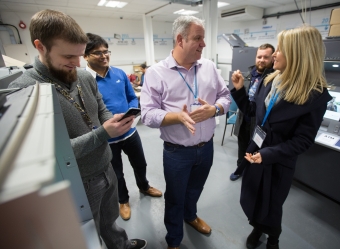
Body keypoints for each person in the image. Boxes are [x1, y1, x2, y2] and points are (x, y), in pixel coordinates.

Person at [8, 9, 147, 249]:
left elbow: (100, 108)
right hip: (75, 182)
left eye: (80, 55)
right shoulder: (24, 91)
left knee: (109, 221)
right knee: (87, 235)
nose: (77, 63)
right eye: (69, 56)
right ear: (40, 46)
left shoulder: (84, 77)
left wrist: (113, 121)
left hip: (106, 165)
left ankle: (120, 245)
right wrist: (103, 133)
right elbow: (49, 155)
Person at [230, 25, 332, 249]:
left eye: (281, 49)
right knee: (255, 198)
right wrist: (238, 90)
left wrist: (267, 155)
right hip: (255, 152)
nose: (274, 54)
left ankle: (273, 239)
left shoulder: (314, 96)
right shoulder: (270, 81)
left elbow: (302, 140)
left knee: (273, 206)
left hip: (277, 162)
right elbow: (252, 113)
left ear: (298, 54)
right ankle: (257, 228)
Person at [140, 15, 231, 249]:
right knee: (174, 198)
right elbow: (148, 115)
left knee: (195, 190)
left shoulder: (209, 67)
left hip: (206, 147)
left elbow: (225, 97)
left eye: (203, 38)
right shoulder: (156, 73)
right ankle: (173, 240)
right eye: (198, 38)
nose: (204, 44)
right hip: (177, 152)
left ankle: (190, 216)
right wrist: (176, 117)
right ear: (180, 39)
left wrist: (216, 109)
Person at [84, 33, 162, 221]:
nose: (104, 56)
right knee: (116, 173)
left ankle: (144, 186)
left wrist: (130, 115)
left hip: (130, 132)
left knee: (140, 164)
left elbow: (131, 97)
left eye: (106, 51)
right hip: (107, 139)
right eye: (97, 53)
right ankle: (123, 200)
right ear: (85, 56)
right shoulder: (84, 80)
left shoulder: (119, 74)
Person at [230, 43, 275, 181]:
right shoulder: (251, 74)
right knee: (242, 144)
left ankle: (251, 173)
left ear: (273, 58)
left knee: (255, 149)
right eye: (259, 56)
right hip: (244, 117)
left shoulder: (273, 78)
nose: (261, 60)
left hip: (259, 121)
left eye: (266, 57)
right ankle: (239, 169)